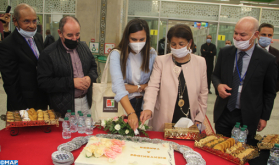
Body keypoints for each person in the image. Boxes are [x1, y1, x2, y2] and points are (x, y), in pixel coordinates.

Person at [212, 17, 277, 142]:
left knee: (240, 153)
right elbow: (215, 75)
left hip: (248, 115)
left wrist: (264, 117)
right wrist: (218, 85)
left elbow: (269, 92)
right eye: (235, 33)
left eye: (243, 35)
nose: (237, 38)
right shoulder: (225, 53)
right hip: (224, 112)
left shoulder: (267, 60)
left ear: (255, 35)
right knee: (220, 148)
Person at [140, 24, 208, 132]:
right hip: (164, 118)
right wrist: (148, 108)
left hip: (189, 119)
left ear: (189, 43)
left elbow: (203, 93)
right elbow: (152, 87)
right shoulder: (161, 61)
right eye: (173, 44)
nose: (177, 48)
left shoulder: (200, 62)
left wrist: (199, 118)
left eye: (181, 44)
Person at [37, 16, 98, 117]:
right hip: (64, 108)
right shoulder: (49, 53)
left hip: (87, 102)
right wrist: (71, 82)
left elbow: (93, 67)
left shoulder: (84, 47)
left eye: (77, 34)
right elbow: (44, 83)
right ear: (60, 33)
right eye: (70, 35)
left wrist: (90, 77)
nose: (74, 39)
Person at [110, 18, 157, 131]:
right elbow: (119, 87)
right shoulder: (117, 55)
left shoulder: (151, 53)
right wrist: (131, 113)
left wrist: (135, 88)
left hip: (144, 104)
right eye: (133, 39)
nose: (137, 43)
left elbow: (154, 83)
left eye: (142, 39)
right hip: (125, 103)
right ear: (127, 38)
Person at [0, 4, 48, 110]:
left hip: (41, 103)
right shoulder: (8, 45)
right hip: (22, 106)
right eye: (26, 21)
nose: (32, 25)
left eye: (34, 21)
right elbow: (10, 83)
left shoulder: (38, 37)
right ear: (15, 21)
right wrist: (23, 110)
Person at [257, 23, 279, 92]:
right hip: (249, 93)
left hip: (268, 95)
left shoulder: (277, 54)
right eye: (263, 34)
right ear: (257, 34)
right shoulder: (249, 51)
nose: (267, 37)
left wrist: (272, 90)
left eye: (269, 35)